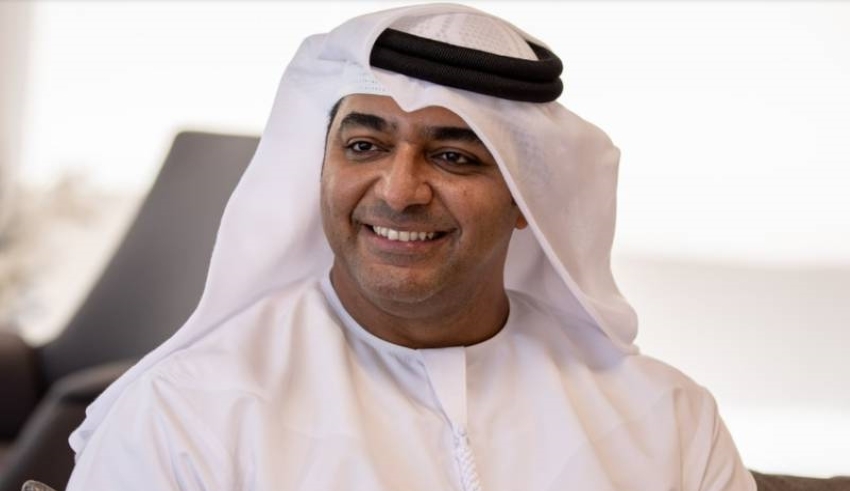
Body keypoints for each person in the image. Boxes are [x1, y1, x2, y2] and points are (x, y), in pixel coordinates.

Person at [65, 4, 756, 490]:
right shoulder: (185, 412)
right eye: (365, 146)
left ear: (527, 200)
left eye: (454, 157)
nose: (399, 191)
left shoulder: (665, 419)